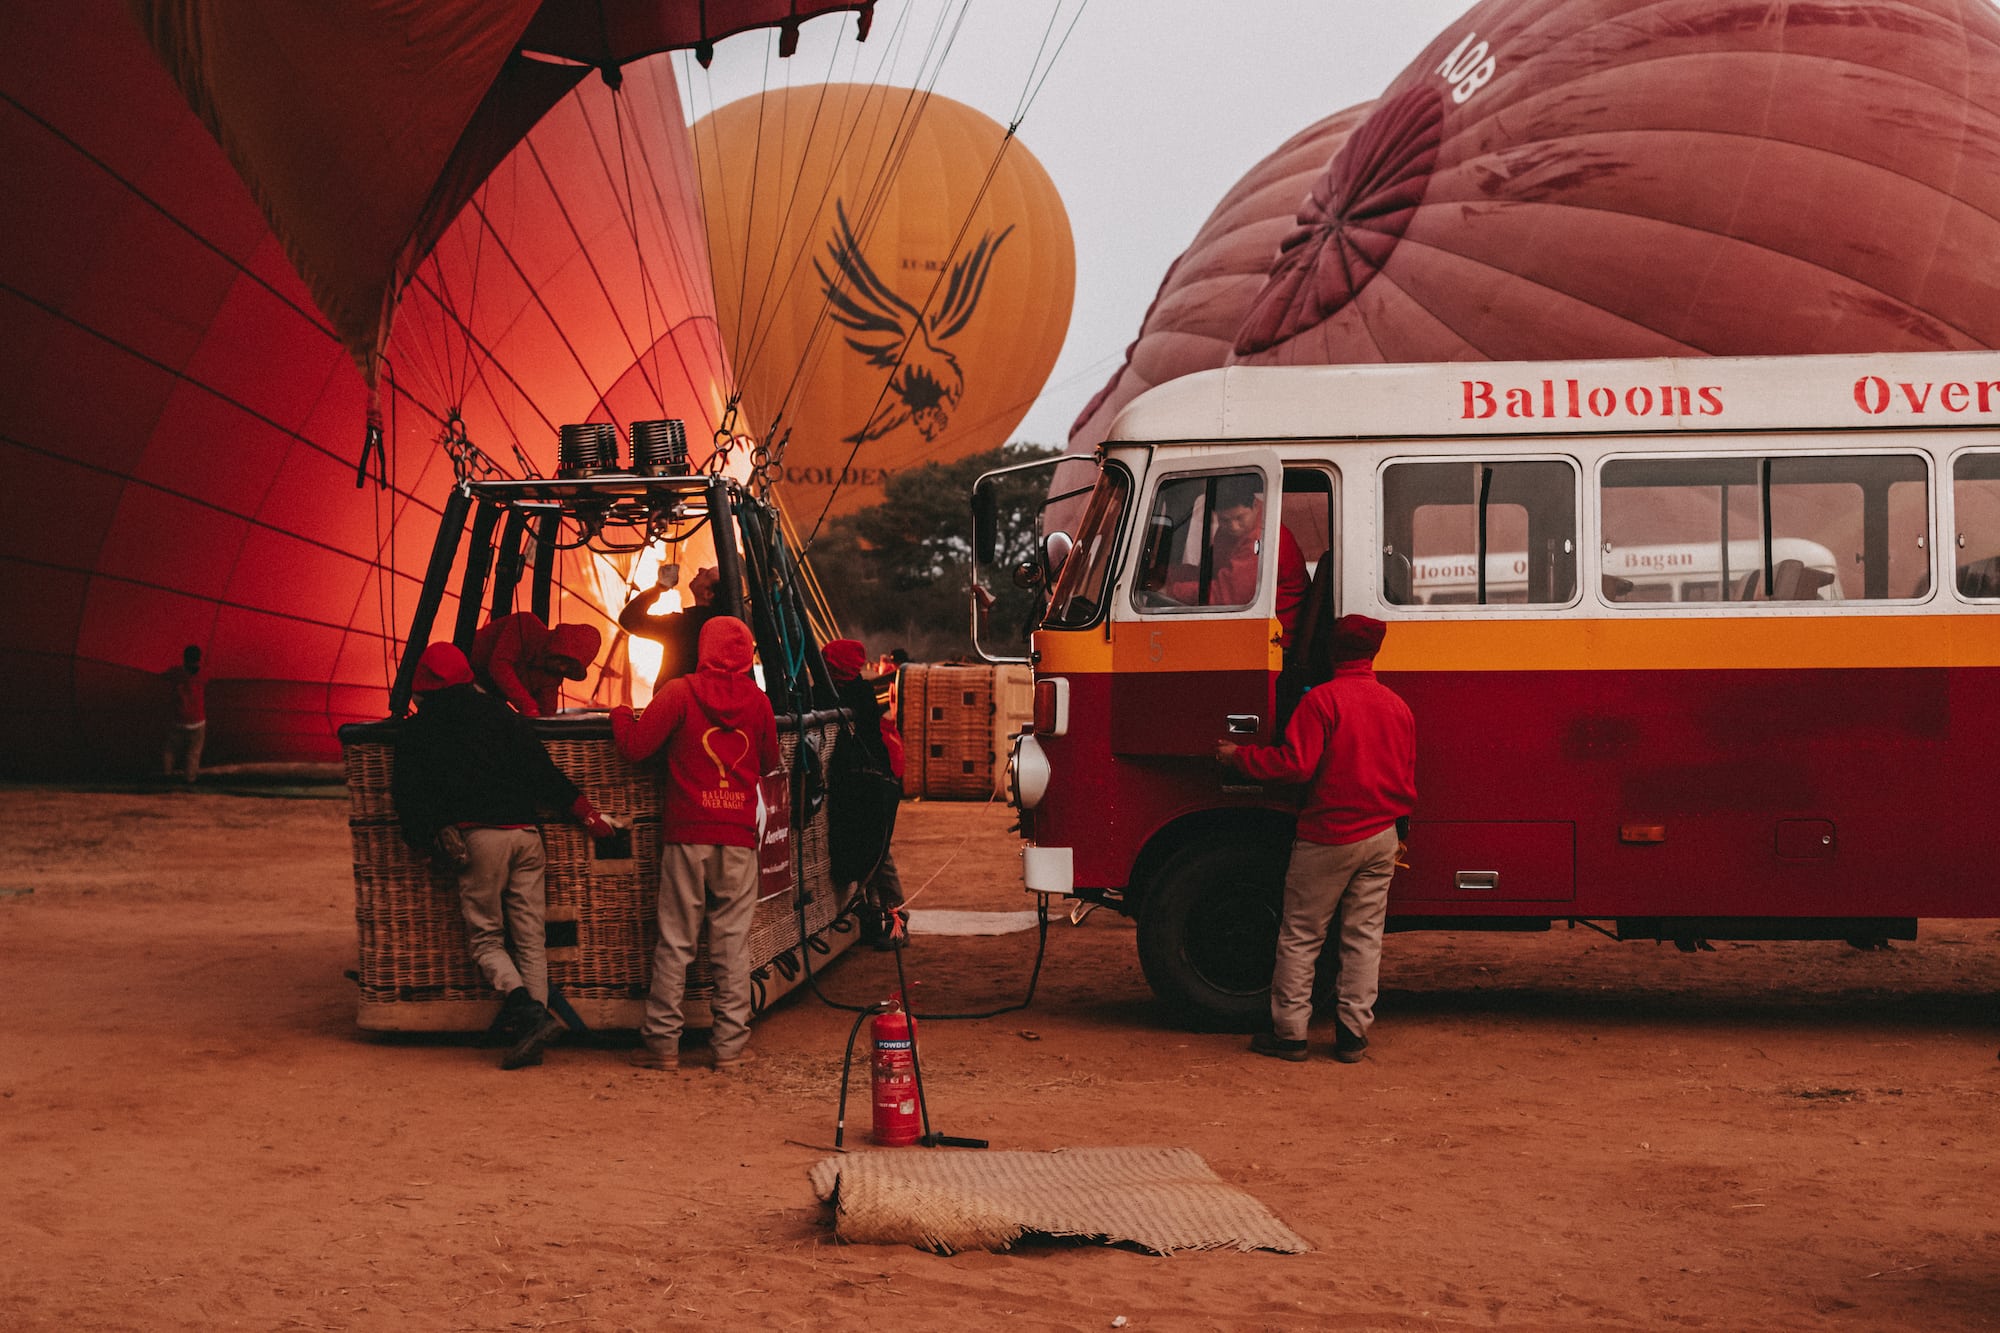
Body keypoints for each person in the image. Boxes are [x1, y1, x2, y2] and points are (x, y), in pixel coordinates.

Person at [392, 643, 616, 1070]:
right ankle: (534, 1031)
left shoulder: (418, 730)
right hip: (528, 837)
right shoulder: (501, 714)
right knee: (531, 938)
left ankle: (527, 1013)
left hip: (481, 840)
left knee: (487, 940)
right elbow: (542, 772)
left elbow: (409, 795)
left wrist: (424, 840)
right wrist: (588, 815)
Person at [1217, 614, 1416, 1064]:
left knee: (1302, 935)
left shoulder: (1322, 701)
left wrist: (1238, 758)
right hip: (1382, 835)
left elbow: (1296, 766)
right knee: (1364, 937)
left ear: (1331, 650)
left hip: (1328, 835)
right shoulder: (1396, 706)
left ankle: (1290, 1034)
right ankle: (1352, 1036)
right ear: (1374, 653)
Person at [611, 616, 779, 1072]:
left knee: (675, 943)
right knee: (732, 947)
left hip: (687, 835)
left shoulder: (679, 692)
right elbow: (768, 762)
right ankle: (729, 1049)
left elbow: (636, 747)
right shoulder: (759, 702)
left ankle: (662, 1046)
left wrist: (621, 713)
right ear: (747, 652)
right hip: (738, 838)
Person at [825, 638, 908, 949]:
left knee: (877, 853)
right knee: (865, 850)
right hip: (861, 784)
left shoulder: (853, 694)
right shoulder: (854, 690)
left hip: (874, 784)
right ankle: (874, 919)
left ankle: (898, 922)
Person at [1163, 477, 1310, 644]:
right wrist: (1167, 574)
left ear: (1255, 505)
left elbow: (1225, 596)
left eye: (1239, 518)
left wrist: (1170, 591)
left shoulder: (1260, 538)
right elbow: (1211, 573)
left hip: (1274, 639)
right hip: (1252, 626)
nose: (1233, 526)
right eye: (1225, 520)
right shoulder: (1232, 533)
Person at [469, 611, 602, 717]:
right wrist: (528, 706)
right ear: (560, 645)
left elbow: (547, 712)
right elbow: (499, 666)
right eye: (563, 660)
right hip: (464, 673)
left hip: (488, 698)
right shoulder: (526, 624)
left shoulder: (553, 675)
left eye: (568, 668)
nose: (562, 668)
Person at [619, 564, 721, 686]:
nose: (701, 569)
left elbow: (630, 619)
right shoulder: (724, 631)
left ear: (708, 594)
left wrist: (660, 587)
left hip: (674, 702)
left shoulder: (686, 626)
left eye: (707, 574)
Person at [159, 644, 206, 784]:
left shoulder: (176, 672)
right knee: (193, 753)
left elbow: (163, 676)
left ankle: (166, 775)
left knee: (170, 750)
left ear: (184, 658)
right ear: (199, 658)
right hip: (198, 719)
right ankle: (189, 780)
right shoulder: (203, 673)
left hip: (178, 718)